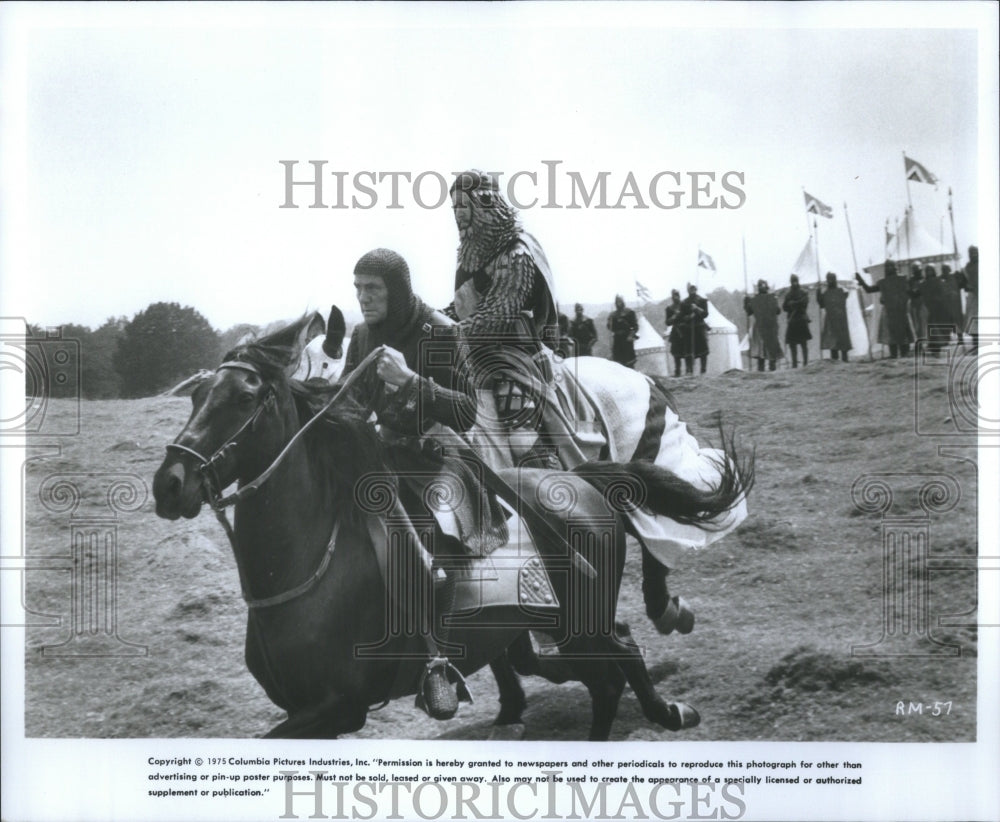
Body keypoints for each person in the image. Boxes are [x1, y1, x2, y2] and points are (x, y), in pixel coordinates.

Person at [341, 248, 496, 721]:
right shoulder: (362, 335)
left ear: (398, 290)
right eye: (358, 288)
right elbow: (350, 400)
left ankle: (438, 663)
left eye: (374, 289)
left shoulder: (441, 333)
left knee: (429, 539)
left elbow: (468, 410)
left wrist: (411, 381)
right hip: (384, 454)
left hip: (440, 455)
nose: (364, 298)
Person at [856, 261, 912, 358]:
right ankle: (893, 354)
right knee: (891, 334)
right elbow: (869, 290)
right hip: (889, 311)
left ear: (895, 267)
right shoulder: (883, 282)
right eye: (887, 266)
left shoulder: (903, 279)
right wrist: (861, 280)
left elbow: (909, 291)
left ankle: (904, 354)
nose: (889, 268)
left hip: (900, 310)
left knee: (903, 333)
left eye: (891, 266)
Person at [744, 279, 783, 371]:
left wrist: (774, 301)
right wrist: (747, 303)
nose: (762, 288)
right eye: (761, 287)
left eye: (763, 286)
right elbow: (749, 312)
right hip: (759, 327)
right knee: (760, 349)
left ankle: (772, 368)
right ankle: (761, 370)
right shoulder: (755, 300)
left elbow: (777, 311)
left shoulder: (771, 298)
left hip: (770, 326)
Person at [816, 272, 852, 361]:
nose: (830, 281)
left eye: (832, 279)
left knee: (843, 340)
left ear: (835, 280)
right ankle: (835, 360)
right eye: (828, 279)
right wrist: (818, 293)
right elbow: (822, 305)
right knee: (833, 341)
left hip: (841, 319)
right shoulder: (826, 293)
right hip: (831, 320)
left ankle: (845, 359)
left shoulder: (841, 291)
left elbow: (846, 295)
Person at [782, 274, 812, 368]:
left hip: (801, 319)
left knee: (803, 343)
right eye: (793, 281)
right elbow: (784, 307)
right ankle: (794, 363)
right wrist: (790, 305)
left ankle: (805, 363)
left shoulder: (803, 293)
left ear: (798, 281)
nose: (794, 283)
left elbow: (804, 304)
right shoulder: (788, 294)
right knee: (792, 344)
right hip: (792, 320)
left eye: (795, 281)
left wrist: (794, 303)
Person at [921, 264, 950, 356]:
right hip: (929, 307)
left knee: (939, 327)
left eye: (930, 270)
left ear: (934, 271)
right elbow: (922, 294)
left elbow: (943, 293)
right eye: (927, 271)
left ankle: (938, 347)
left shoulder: (939, 281)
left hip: (939, 307)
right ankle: (934, 347)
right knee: (932, 327)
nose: (929, 272)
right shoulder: (924, 283)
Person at [681, 284, 709, 375]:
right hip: (689, 329)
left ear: (696, 289)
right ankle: (689, 371)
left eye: (694, 288)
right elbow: (682, 317)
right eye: (690, 289)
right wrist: (689, 317)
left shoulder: (702, 300)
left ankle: (703, 370)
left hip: (699, 327)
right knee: (689, 351)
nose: (692, 290)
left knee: (703, 350)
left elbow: (705, 314)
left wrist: (697, 308)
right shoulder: (684, 302)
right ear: (688, 290)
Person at [607, 294, 639, 368]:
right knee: (618, 363)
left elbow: (635, 326)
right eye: (617, 302)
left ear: (623, 302)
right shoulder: (613, 315)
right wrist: (609, 323)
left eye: (620, 301)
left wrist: (631, 335)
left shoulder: (629, 312)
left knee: (629, 363)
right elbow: (610, 327)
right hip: (617, 340)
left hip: (627, 340)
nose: (619, 303)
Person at [957, 245, 978, 348]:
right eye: (971, 253)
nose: (974, 255)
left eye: (975, 253)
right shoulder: (966, 269)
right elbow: (962, 285)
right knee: (974, 320)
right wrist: (960, 279)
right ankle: (976, 343)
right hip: (973, 296)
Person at [664, 289, 689, 377]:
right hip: (676, 331)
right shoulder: (669, 309)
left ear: (679, 296)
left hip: (685, 330)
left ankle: (688, 371)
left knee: (686, 351)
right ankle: (677, 371)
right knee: (676, 353)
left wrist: (685, 318)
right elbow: (667, 322)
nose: (676, 297)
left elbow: (689, 316)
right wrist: (673, 317)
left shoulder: (684, 306)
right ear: (672, 297)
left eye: (677, 295)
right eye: (674, 296)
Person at [940, 263, 965, 346]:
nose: (945, 271)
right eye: (943, 269)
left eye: (946, 269)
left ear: (949, 269)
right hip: (946, 304)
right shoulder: (940, 279)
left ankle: (960, 338)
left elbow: (962, 283)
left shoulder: (955, 276)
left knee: (957, 320)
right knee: (946, 321)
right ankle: (947, 338)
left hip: (955, 303)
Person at [907, 264, 928, 347]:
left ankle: (925, 342)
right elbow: (909, 292)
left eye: (918, 270)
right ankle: (919, 342)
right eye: (916, 271)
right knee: (916, 324)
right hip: (914, 304)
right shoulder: (910, 281)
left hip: (924, 303)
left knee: (924, 323)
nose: (917, 272)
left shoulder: (924, 279)